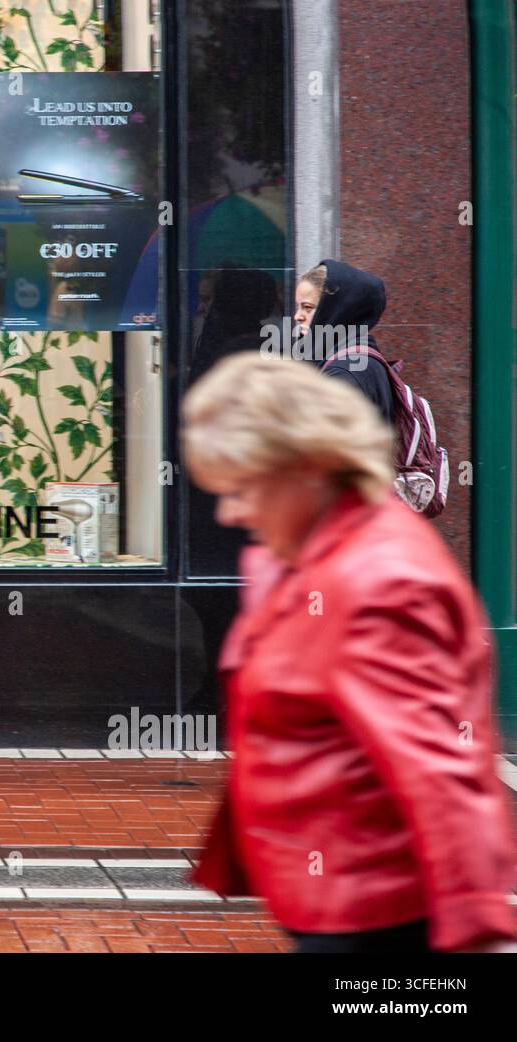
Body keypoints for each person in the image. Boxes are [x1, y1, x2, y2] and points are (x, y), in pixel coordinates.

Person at [182, 352, 516, 953]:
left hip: (379, 911)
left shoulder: (379, 581)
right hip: (326, 891)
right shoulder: (298, 551)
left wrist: (478, 925)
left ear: (305, 467)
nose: (230, 512)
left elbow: (440, 768)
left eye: (242, 487)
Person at [293, 260, 394, 424]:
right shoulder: (354, 358)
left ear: (336, 309)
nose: (298, 316)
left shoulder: (346, 370)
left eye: (308, 308)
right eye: (298, 307)